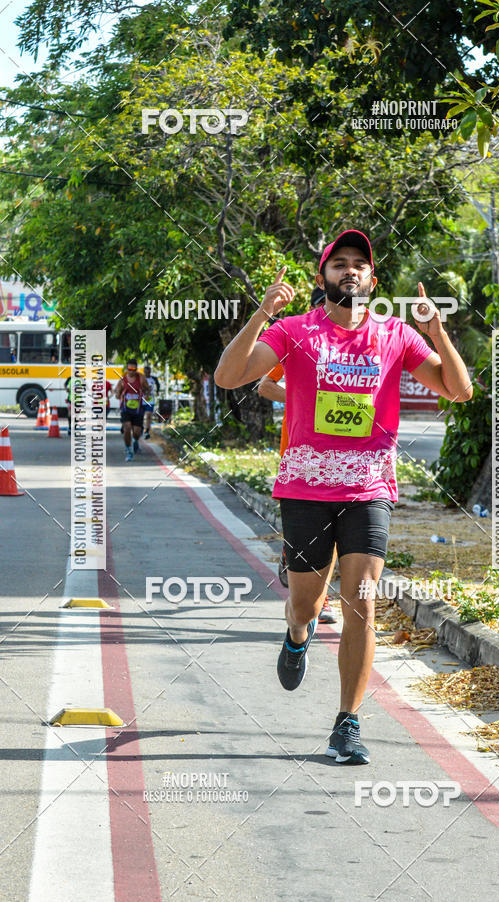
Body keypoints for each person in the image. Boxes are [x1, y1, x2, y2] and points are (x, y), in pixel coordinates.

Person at [214, 229, 472, 765]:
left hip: (370, 488)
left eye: (360, 265)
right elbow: (229, 376)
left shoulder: (396, 335)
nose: (350, 271)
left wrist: (437, 332)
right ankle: (295, 632)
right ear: (322, 277)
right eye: (340, 264)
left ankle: (347, 724)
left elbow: (458, 389)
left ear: (372, 280)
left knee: (363, 601)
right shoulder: (294, 331)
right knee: (307, 602)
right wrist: (262, 313)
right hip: (305, 487)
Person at [258, 288, 337, 624]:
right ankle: (293, 557)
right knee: (309, 531)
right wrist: (302, 396)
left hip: (342, 454)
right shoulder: (296, 341)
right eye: (322, 306)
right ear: (313, 308)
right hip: (298, 451)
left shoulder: (352, 347)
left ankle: (323, 598)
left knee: (333, 531)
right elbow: (263, 385)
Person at [114, 359, 151, 461]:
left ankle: (135, 441)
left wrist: (147, 395)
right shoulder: (123, 379)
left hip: (138, 409)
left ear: (136, 369)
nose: (131, 371)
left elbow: (148, 389)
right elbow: (117, 393)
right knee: (127, 428)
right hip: (126, 408)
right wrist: (118, 394)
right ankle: (129, 451)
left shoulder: (141, 378)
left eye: (133, 369)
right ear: (127, 368)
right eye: (129, 369)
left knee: (136, 432)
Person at [142, 364, 161, 439]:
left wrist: (157, 391)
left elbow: (158, 384)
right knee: (141, 415)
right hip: (142, 398)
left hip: (150, 399)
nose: (147, 373)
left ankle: (147, 430)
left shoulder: (154, 378)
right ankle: (141, 427)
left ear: (150, 372)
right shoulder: (141, 378)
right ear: (143, 372)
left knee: (149, 415)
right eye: (145, 372)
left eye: (148, 372)